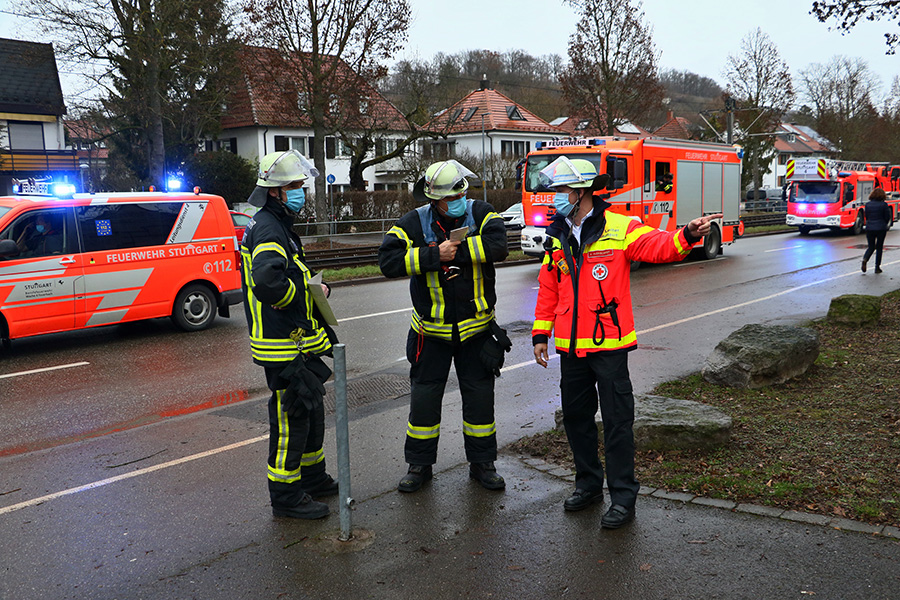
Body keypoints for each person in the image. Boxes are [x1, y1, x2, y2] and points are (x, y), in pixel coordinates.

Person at [531, 156, 722, 529]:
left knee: (618, 422)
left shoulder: (620, 226)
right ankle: (588, 485)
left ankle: (623, 496)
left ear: (582, 192)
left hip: (610, 345)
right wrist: (541, 333)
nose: (554, 197)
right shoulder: (558, 234)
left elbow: (658, 246)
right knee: (576, 420)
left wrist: (688, 235)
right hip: (571, 349)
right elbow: (549, 287)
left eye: (561, 191)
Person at [379, 159, 511, 493]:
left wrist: (458, 251)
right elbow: (388, 261)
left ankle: (483, 464)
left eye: (460, 194)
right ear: (432, 199)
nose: (456, 202)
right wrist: (432, 255)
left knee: (480, 401)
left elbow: (499, 246)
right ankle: (419, 466)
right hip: (430, 334)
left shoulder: (482, 213)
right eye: (448, 198)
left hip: (477, 331)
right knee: (424, 402)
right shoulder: (413, 222)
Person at [240, 149, 339, 519]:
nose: (302, 192)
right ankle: (285, 497)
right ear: (276, 191)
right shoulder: (268, 226)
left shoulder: (276, 223)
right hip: (283, 346)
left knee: (310, 413)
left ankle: (312, 478)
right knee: (290, 419)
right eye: (296, 186)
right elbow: (268, 281)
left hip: (296, 342)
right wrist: (300, 297)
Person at [862, 187, 892, 274]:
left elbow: (866, 216)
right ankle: (877, 267)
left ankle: (865, 259)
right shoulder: (884, 205)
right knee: (879, 247)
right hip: (881, 228)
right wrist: (884, 224)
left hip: (870, 228)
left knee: (871, 246)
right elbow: (887, 217)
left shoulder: (868, 205)